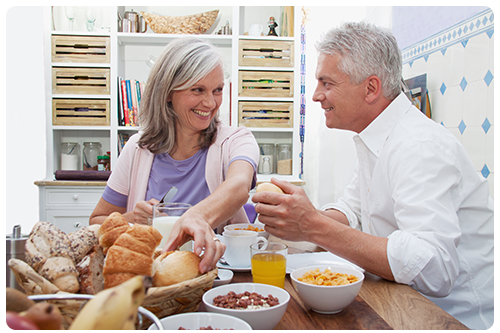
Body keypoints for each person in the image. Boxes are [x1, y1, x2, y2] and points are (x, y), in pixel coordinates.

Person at [252, 22, 493, 330]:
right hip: (397, 302)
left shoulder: (418, 146)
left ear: (370, 88)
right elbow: (350, 211)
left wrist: (312, 226)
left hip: (451, 319)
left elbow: (434, 268)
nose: (316, 95)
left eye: (327, 83)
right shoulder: (376, 138)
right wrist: (302, 222)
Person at [90, 38, 260, 274]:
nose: (211, 103)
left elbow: (239, 186)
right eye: (198, 90)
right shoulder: (137, 149)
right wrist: (132, 219)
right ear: (168, 92)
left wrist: (195, 218)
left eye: (217, 90)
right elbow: (98, 221)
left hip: (215, 280)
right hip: (151, 282)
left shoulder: (236, 140)